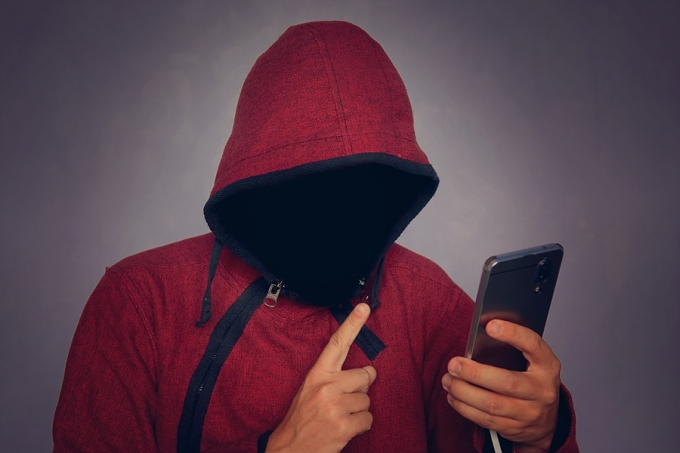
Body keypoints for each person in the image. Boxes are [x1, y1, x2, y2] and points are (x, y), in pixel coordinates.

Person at [53, 21, 578, 453]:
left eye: (362, 186)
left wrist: (542, 436)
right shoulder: (138, 301)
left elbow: (504, 431)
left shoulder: (429, 300)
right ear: (253, 180)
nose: (334, 214)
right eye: (307, 186)